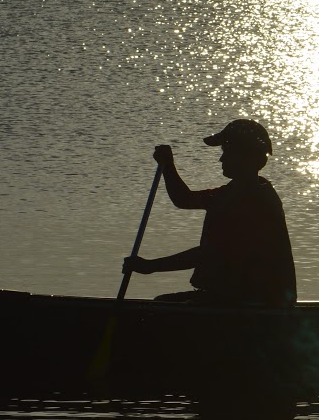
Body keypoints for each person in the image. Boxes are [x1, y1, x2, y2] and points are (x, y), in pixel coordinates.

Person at [123, 118, 297, 306]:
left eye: (227, 152)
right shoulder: (230, 193)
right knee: (163, 304)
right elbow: (184, 199)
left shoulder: (254, 200)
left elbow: (211, 253)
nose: (221, 159)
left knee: (163, 307)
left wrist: (151, 266)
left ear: (248, 157)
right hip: (234, 297)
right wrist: (168, 166)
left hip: (256, 302)